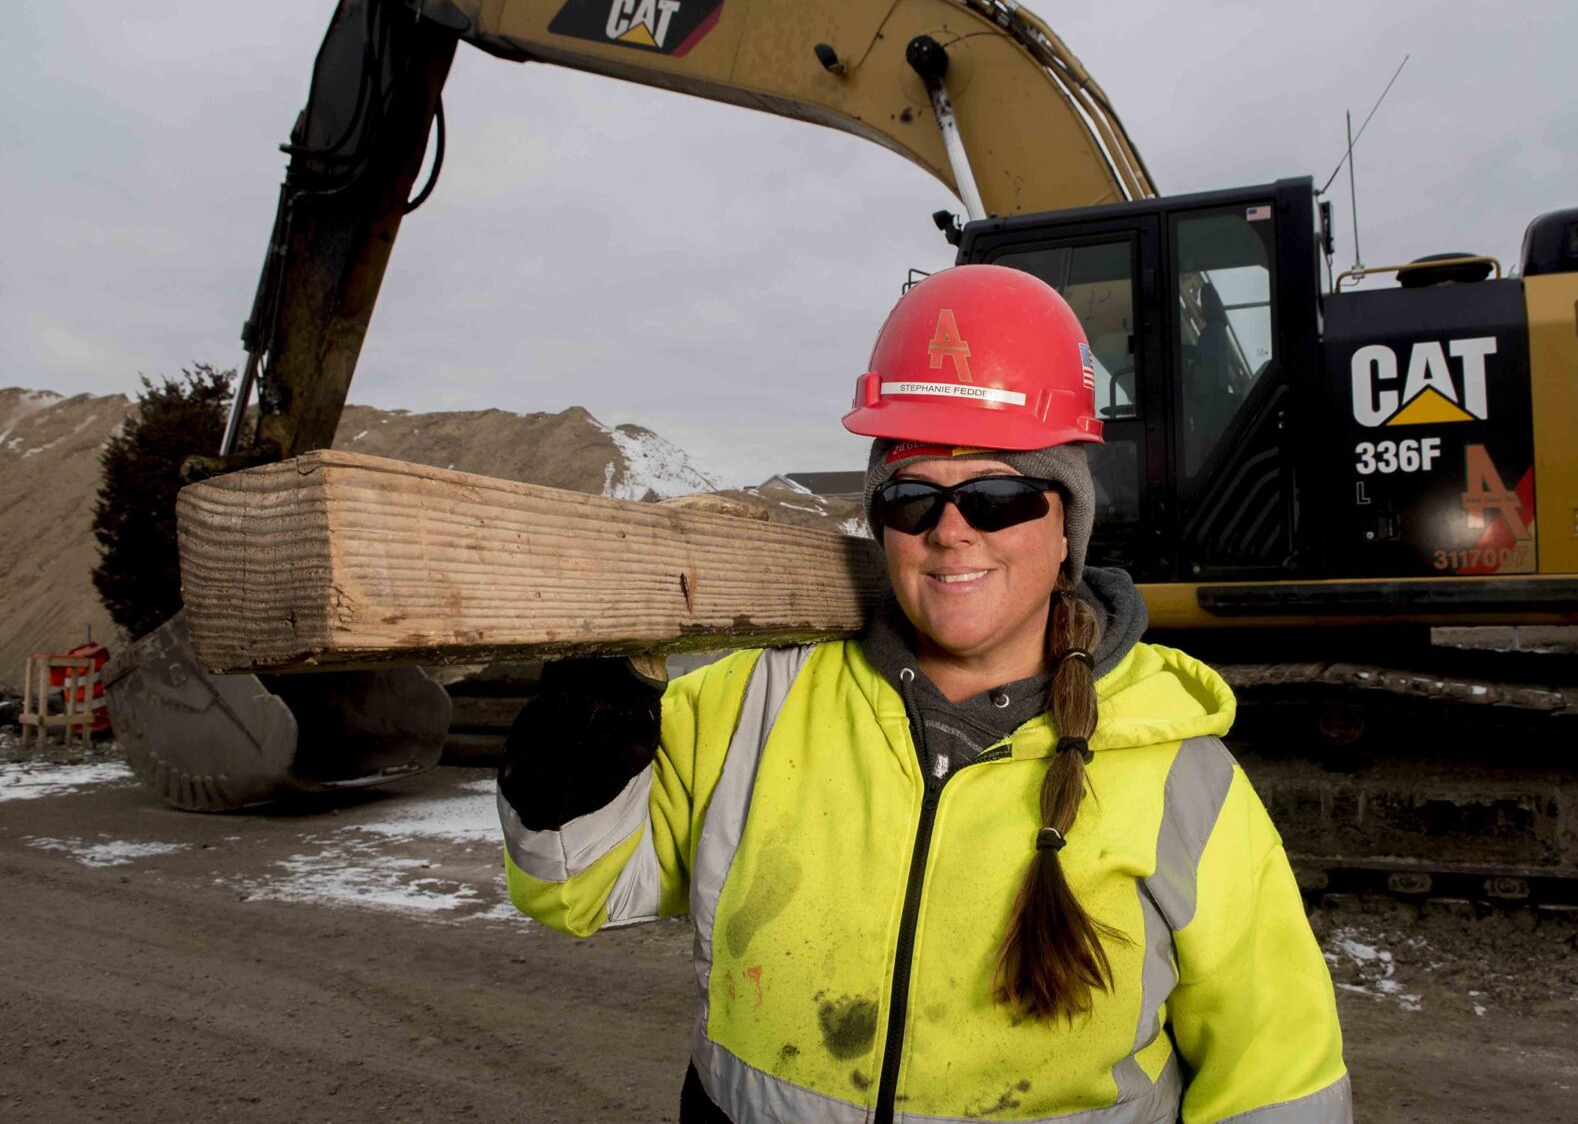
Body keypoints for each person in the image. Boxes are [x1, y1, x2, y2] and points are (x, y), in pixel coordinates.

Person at [497, 265, 1351, 1123]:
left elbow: (1278, 1083)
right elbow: (574, 886)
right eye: (912, 499)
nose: (951, 530)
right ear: (880, 525)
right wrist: (596, 711)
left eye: (998, 496)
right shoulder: (758, 700)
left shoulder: (1181, 777)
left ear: (1067, 529)